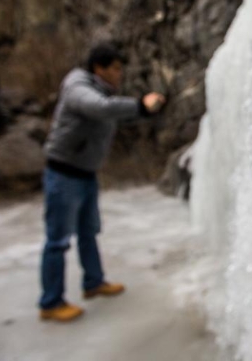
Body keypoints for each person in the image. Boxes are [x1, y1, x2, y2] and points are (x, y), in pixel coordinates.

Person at [38, 43, 165, 322]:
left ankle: (93, 283)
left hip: (85, 173)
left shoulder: (104, 92)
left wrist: (144, 112)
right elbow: (100, 109)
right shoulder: (78, 86)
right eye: (117, 68)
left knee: (88, 232)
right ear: (100, 68)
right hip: (64, 173)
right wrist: (140, 105)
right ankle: (50, 303)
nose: (120, 74)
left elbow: (111, 115)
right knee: (58, 241)